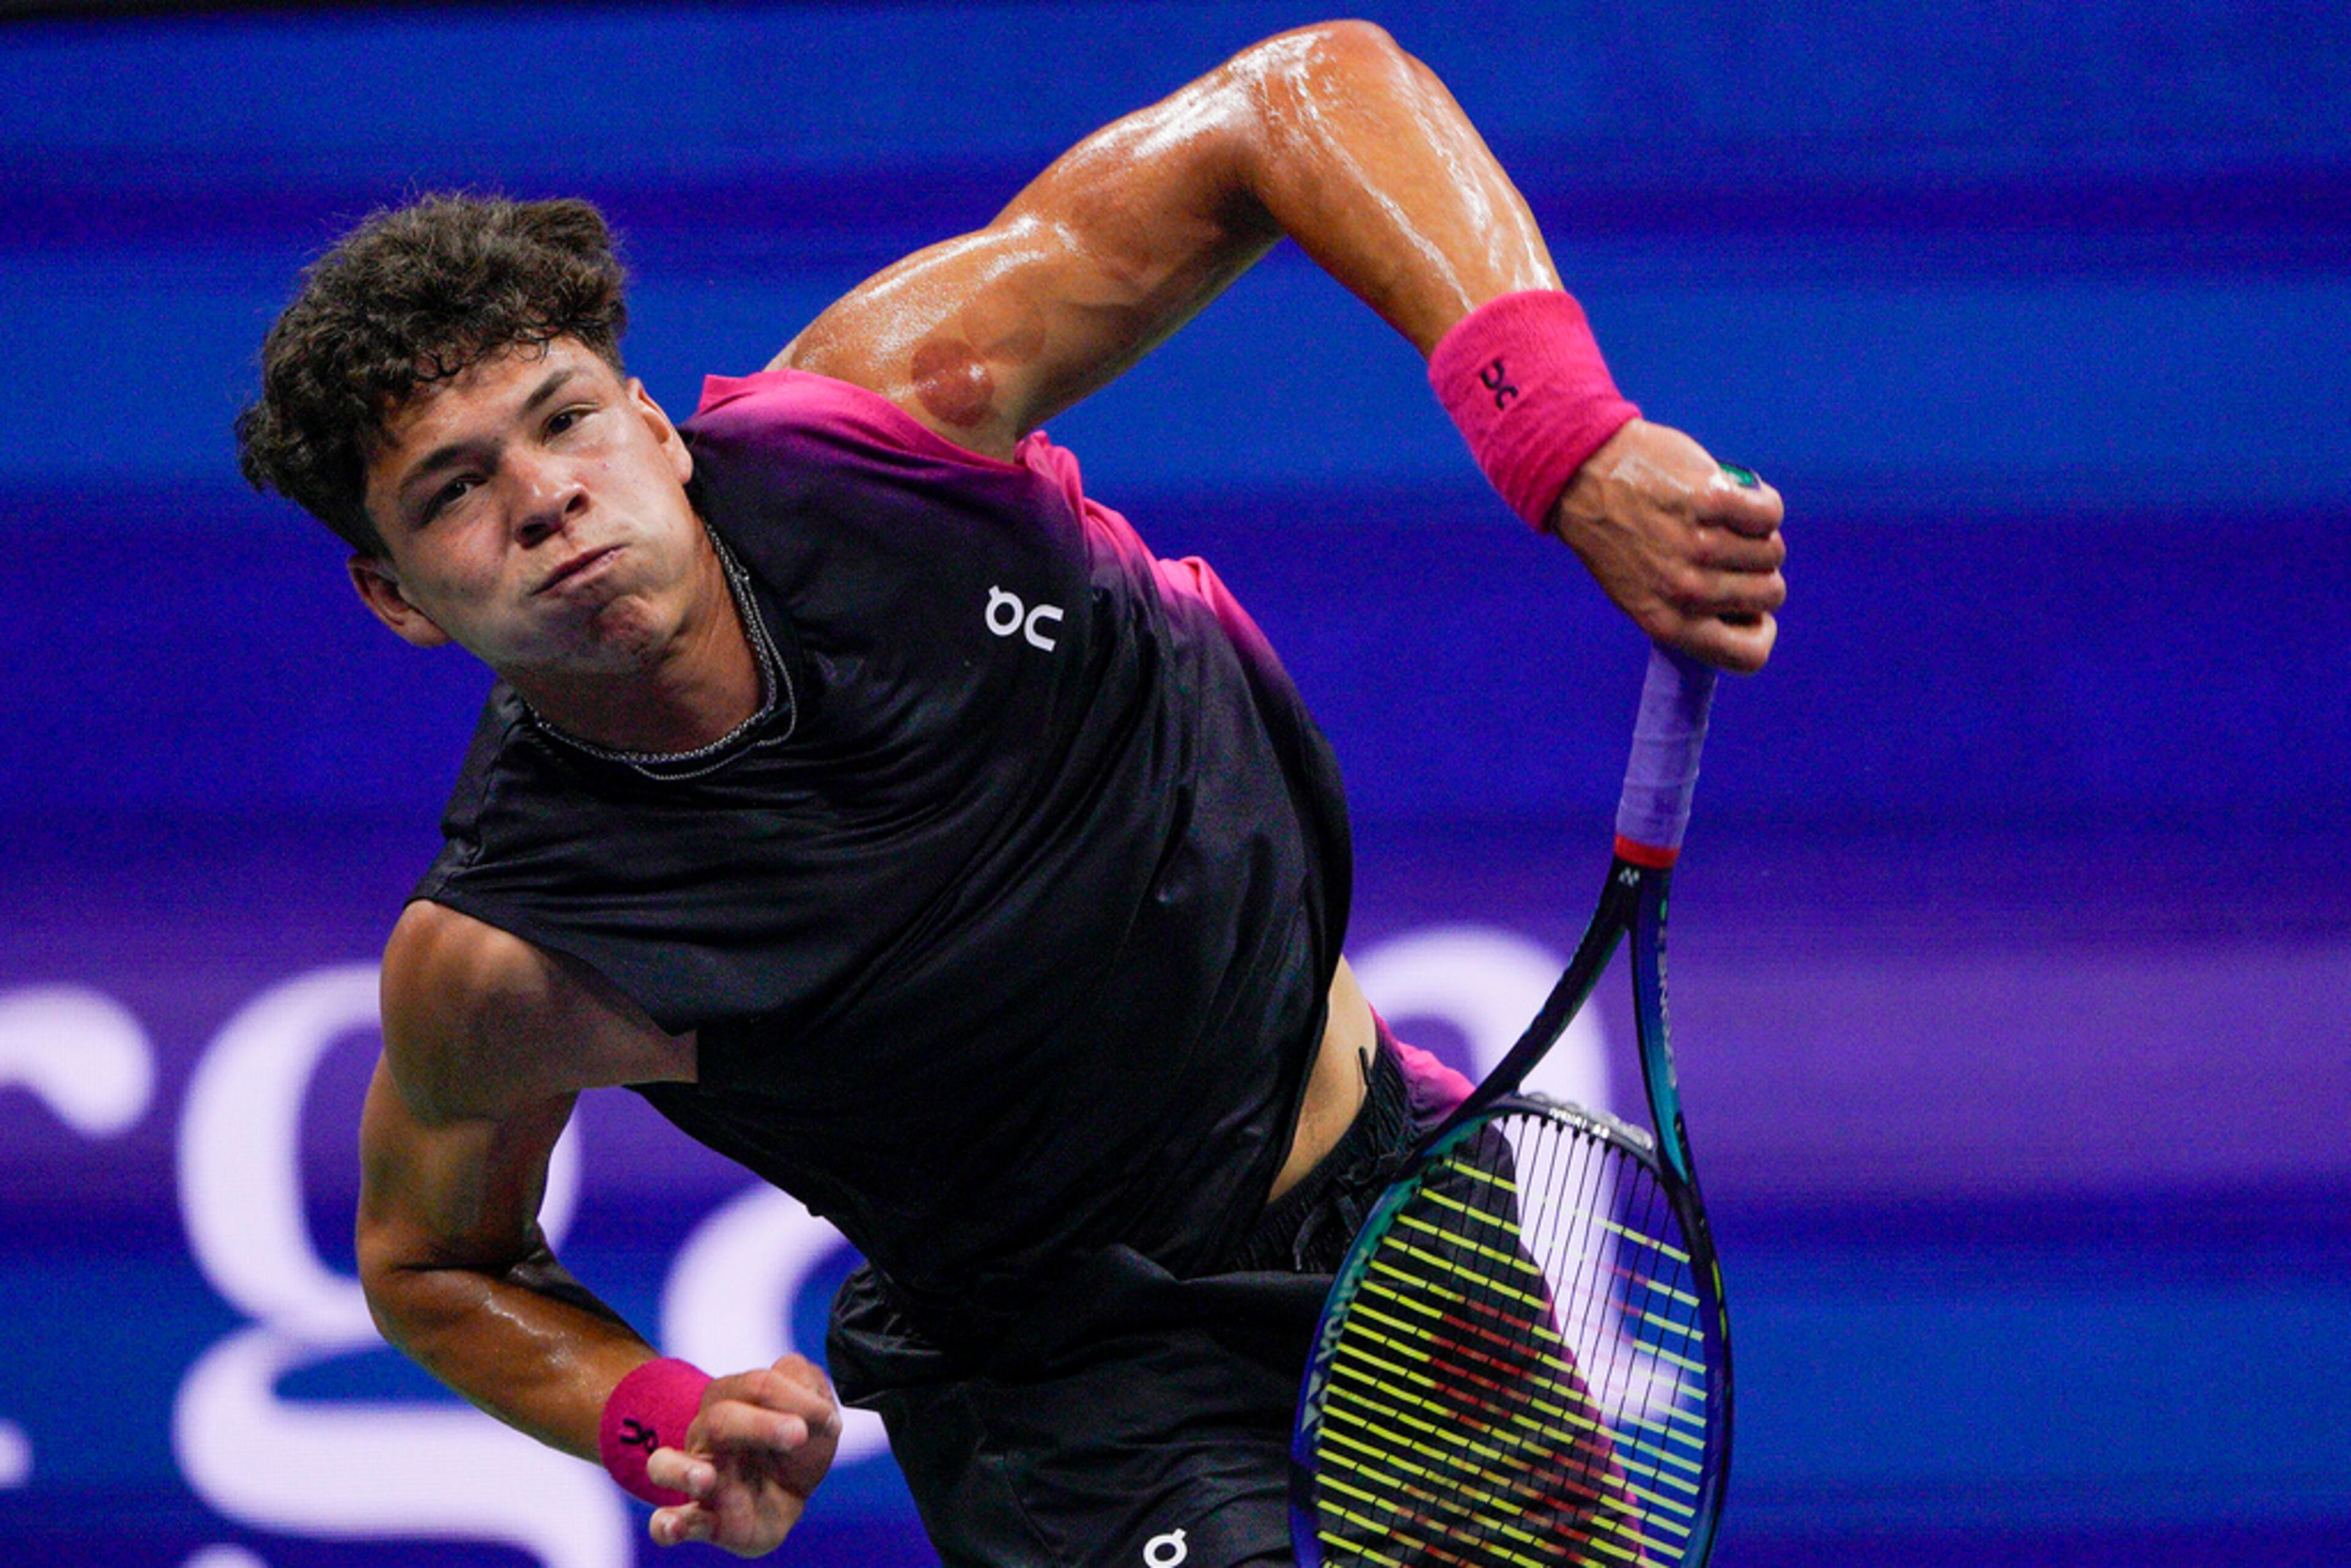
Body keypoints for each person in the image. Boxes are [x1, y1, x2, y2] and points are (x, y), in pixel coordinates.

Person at [235, 20, 1783, 1566]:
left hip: (1402, 1214)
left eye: (566, 418)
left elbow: (1303, 96)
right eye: (455, 489)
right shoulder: (518, 950)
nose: (544, 496)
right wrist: (655, 1412)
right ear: (397, 596)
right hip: (1074, 1409)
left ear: (655, 429)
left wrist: (1566, 440)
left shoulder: (890, 430)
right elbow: (434, 1262)